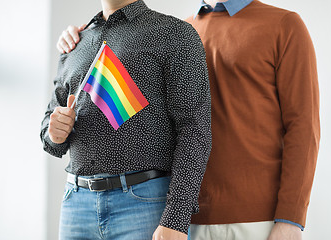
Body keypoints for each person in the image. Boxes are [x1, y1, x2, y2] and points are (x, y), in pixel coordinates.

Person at [57, 0, 320, 239]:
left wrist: (291, 220)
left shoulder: (284, 25)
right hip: (180, 218)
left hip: (255, 219)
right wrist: (84, 38)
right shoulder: (180, 30)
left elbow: (303, 129)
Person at [41, 0, 212, 239]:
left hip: (146, 204)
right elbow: (50, 129)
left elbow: (195, 130)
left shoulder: (174, 34)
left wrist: (177, 218)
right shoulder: (75, 42)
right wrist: (55, 133)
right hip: (76, 204)